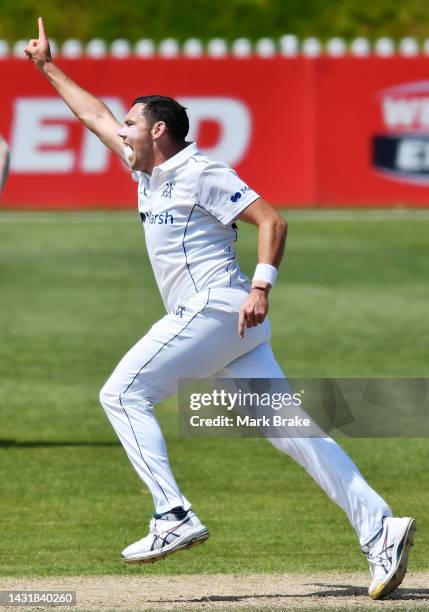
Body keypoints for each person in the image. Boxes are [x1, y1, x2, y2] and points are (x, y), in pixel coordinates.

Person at [25, 18, 415, 600]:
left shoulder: (201, 172)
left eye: (132, 122)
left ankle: (172, 514)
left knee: (122, 393)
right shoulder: (144, 168)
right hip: (225, 326)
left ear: (158, 130)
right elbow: (94, 117)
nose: (121, 130)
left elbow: (272, 220)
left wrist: (261, 288)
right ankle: (381, 527)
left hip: (219, 308)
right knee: (294, 432)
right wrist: (47, 66)